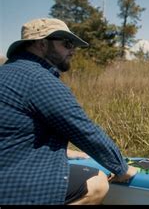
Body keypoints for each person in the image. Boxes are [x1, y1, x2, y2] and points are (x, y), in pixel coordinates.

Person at [0, 18, 137, 205]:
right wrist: (122, 168)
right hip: (10, 186)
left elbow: (14, 130)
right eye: (67, 44)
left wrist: (65, 150)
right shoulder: (39, 80)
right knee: (98, 182)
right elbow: (86, 131)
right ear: (41, 44)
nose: (73, 51)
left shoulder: (7, 73)